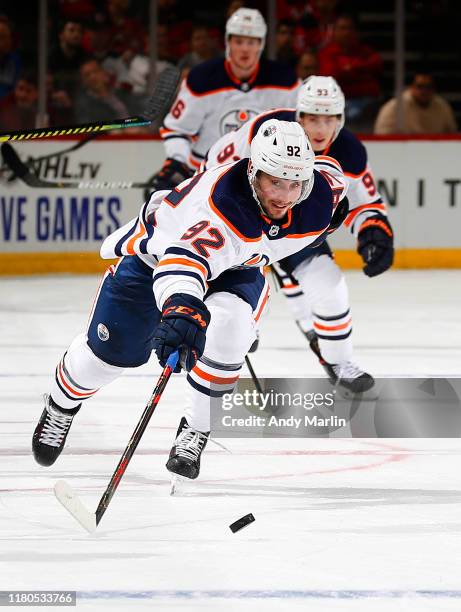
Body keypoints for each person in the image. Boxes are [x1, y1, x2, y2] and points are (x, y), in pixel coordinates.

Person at [32, 119, 347, 482]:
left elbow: (333, 174)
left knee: (230, 326)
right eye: (275, 182)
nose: (284, 196)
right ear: (253, 172)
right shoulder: (222, 207)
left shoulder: (318, 192)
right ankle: (61, 404)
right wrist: (183, 307)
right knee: (106, 358)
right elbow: (182, 264)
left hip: (235, 266)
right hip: (159, 259)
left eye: (295, 184)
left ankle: (196, 429)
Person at [204, 76, 394, 393]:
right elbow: (214, 167)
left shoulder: (349, 151)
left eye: (329, 118)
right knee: (235, 300)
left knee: (330, 286)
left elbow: (366, 202)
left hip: (297, 232)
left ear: (341, 119)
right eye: (312, 118)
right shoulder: (265, 130)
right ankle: (232, 333)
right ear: (298, 116)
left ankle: (338, 360)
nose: (320, 128)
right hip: (245, 226)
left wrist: (373, 232)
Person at [153, 8, 299, 191]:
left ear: (261, 45)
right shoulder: (202, 79)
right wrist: (177, 160)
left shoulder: (285, 81)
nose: (245, 49)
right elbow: (177, 130)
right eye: (239, 41)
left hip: (262, 179)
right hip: (205, 176)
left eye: (252, 42)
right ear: (228, 42)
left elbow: (300, 131)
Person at [318, 14, 383, 123]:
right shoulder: (326, 53)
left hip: (364, 101)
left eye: (350, 28)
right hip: (335, 102)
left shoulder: (365, 51)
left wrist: (350, 68)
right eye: (342, 28)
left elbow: (376, 65)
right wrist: (360, 72)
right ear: (334, 31)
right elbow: (331, 77)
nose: (347, 32)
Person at [374, 72, 458, 134]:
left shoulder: (442, 107)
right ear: (411, 87)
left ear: (434, 89)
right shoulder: (395, 107)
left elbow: (452, 133)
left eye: (428, 87)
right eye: (420, 86)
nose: (424, 91)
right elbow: (382, 134)